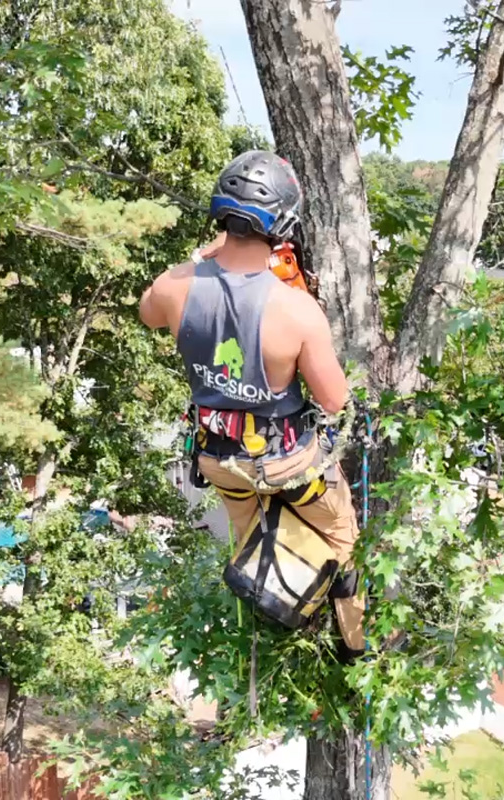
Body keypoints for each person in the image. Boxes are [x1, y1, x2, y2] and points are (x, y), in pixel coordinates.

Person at [138, 150, 365, 660]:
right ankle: (355, 644)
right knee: (343, 534)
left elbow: (146, 311)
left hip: (218, 458)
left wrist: (203, 256)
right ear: (283, 224)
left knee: (252, 536)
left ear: (222, 215)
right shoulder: (295, 309)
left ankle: (271, 620)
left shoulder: (176, 287)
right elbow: (334, 399)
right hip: (288, 462)